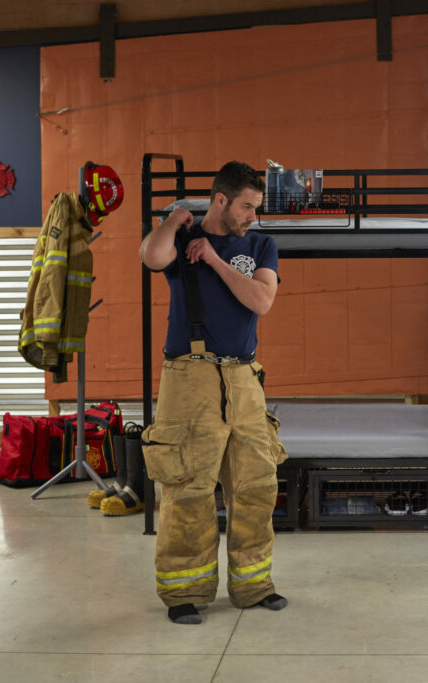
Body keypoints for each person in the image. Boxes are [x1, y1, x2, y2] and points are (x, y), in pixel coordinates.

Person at [139, 160, 288, 624]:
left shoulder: (261, 245)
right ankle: (186, 592)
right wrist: (172, 220)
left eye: (256, 208)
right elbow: (151, 257)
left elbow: (261, 301)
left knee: (256, 485)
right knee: (188, 487)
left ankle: (253, 585)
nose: (251, 216)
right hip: (189, 376)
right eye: (245, 206)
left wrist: (216, 259)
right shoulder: (179, 239)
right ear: (220, 200)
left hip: (244, 379)